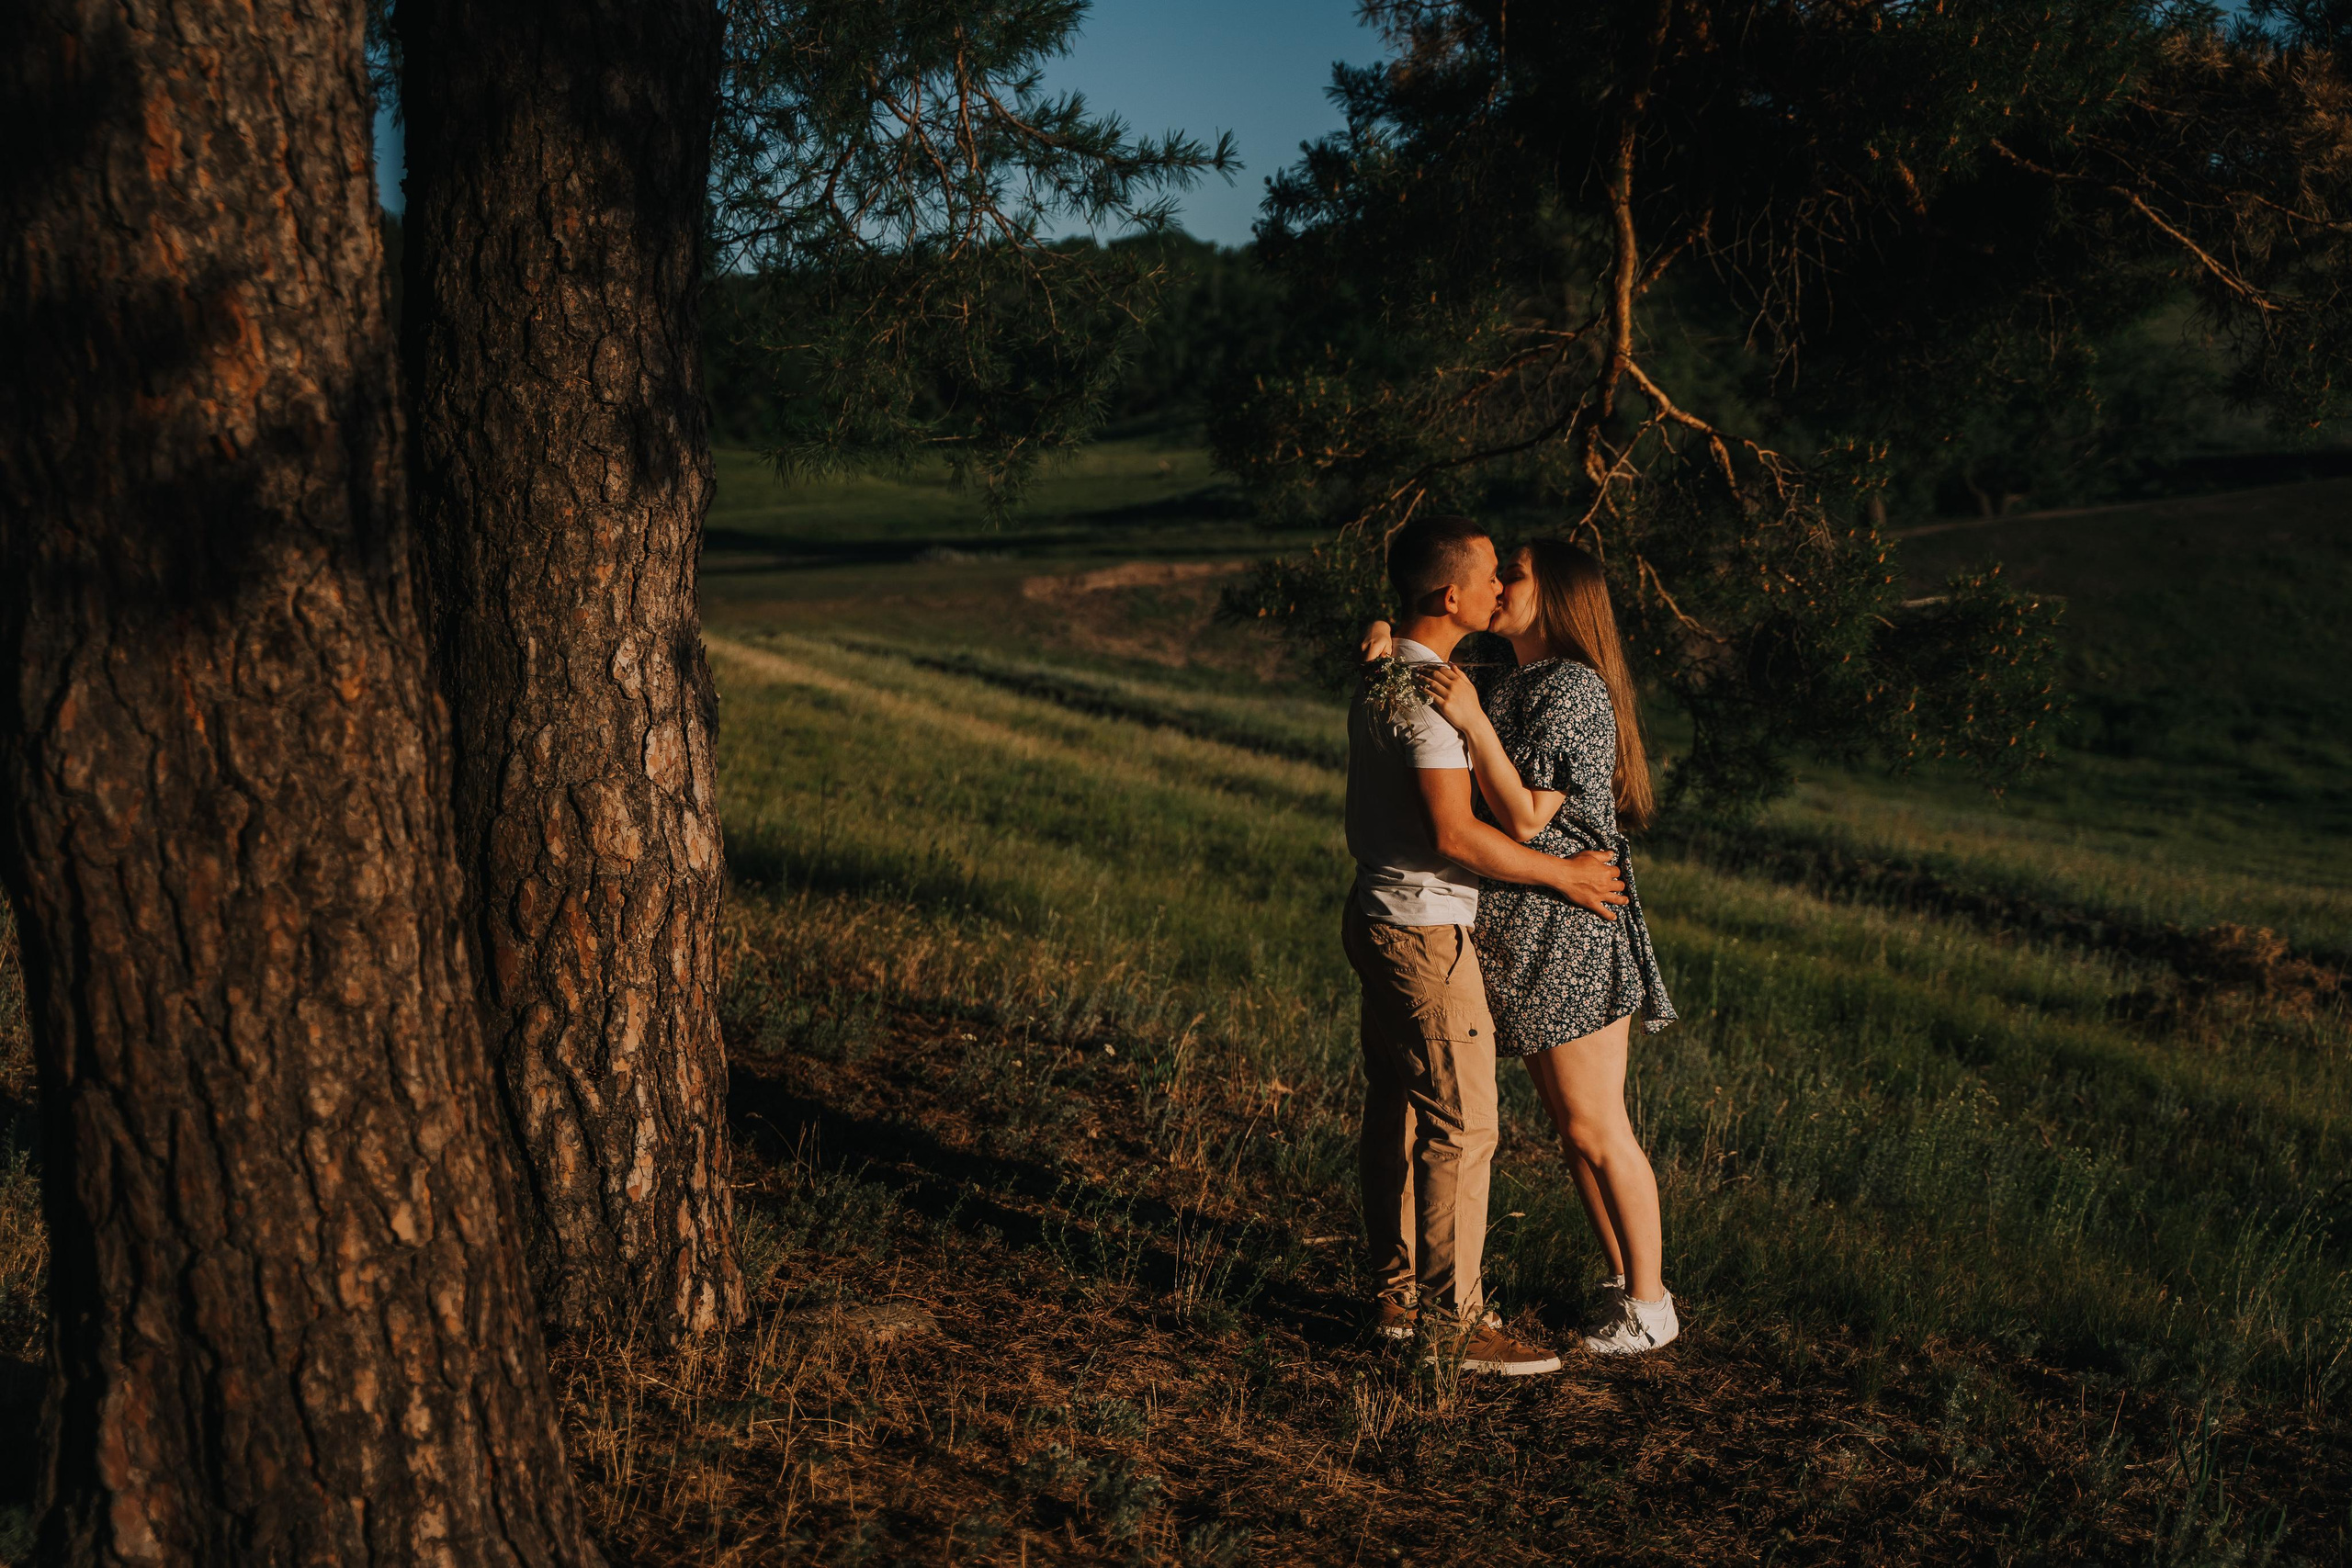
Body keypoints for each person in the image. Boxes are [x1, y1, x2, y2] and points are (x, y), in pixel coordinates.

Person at [1363, 536, 1681, 1355]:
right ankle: (1621, 1281)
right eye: (1497, 573)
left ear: (1562, 599)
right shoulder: (1505, 672)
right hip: (1521, 925)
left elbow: (1530, 817)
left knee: (1596, 1123)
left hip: (1569, 921)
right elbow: (1419, 637)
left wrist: (1469, 716)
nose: (1499, 584)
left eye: (1518, 575)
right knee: (1570, 1127)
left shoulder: (1571, 686)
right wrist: (1376, 639)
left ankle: (1650, 1302)